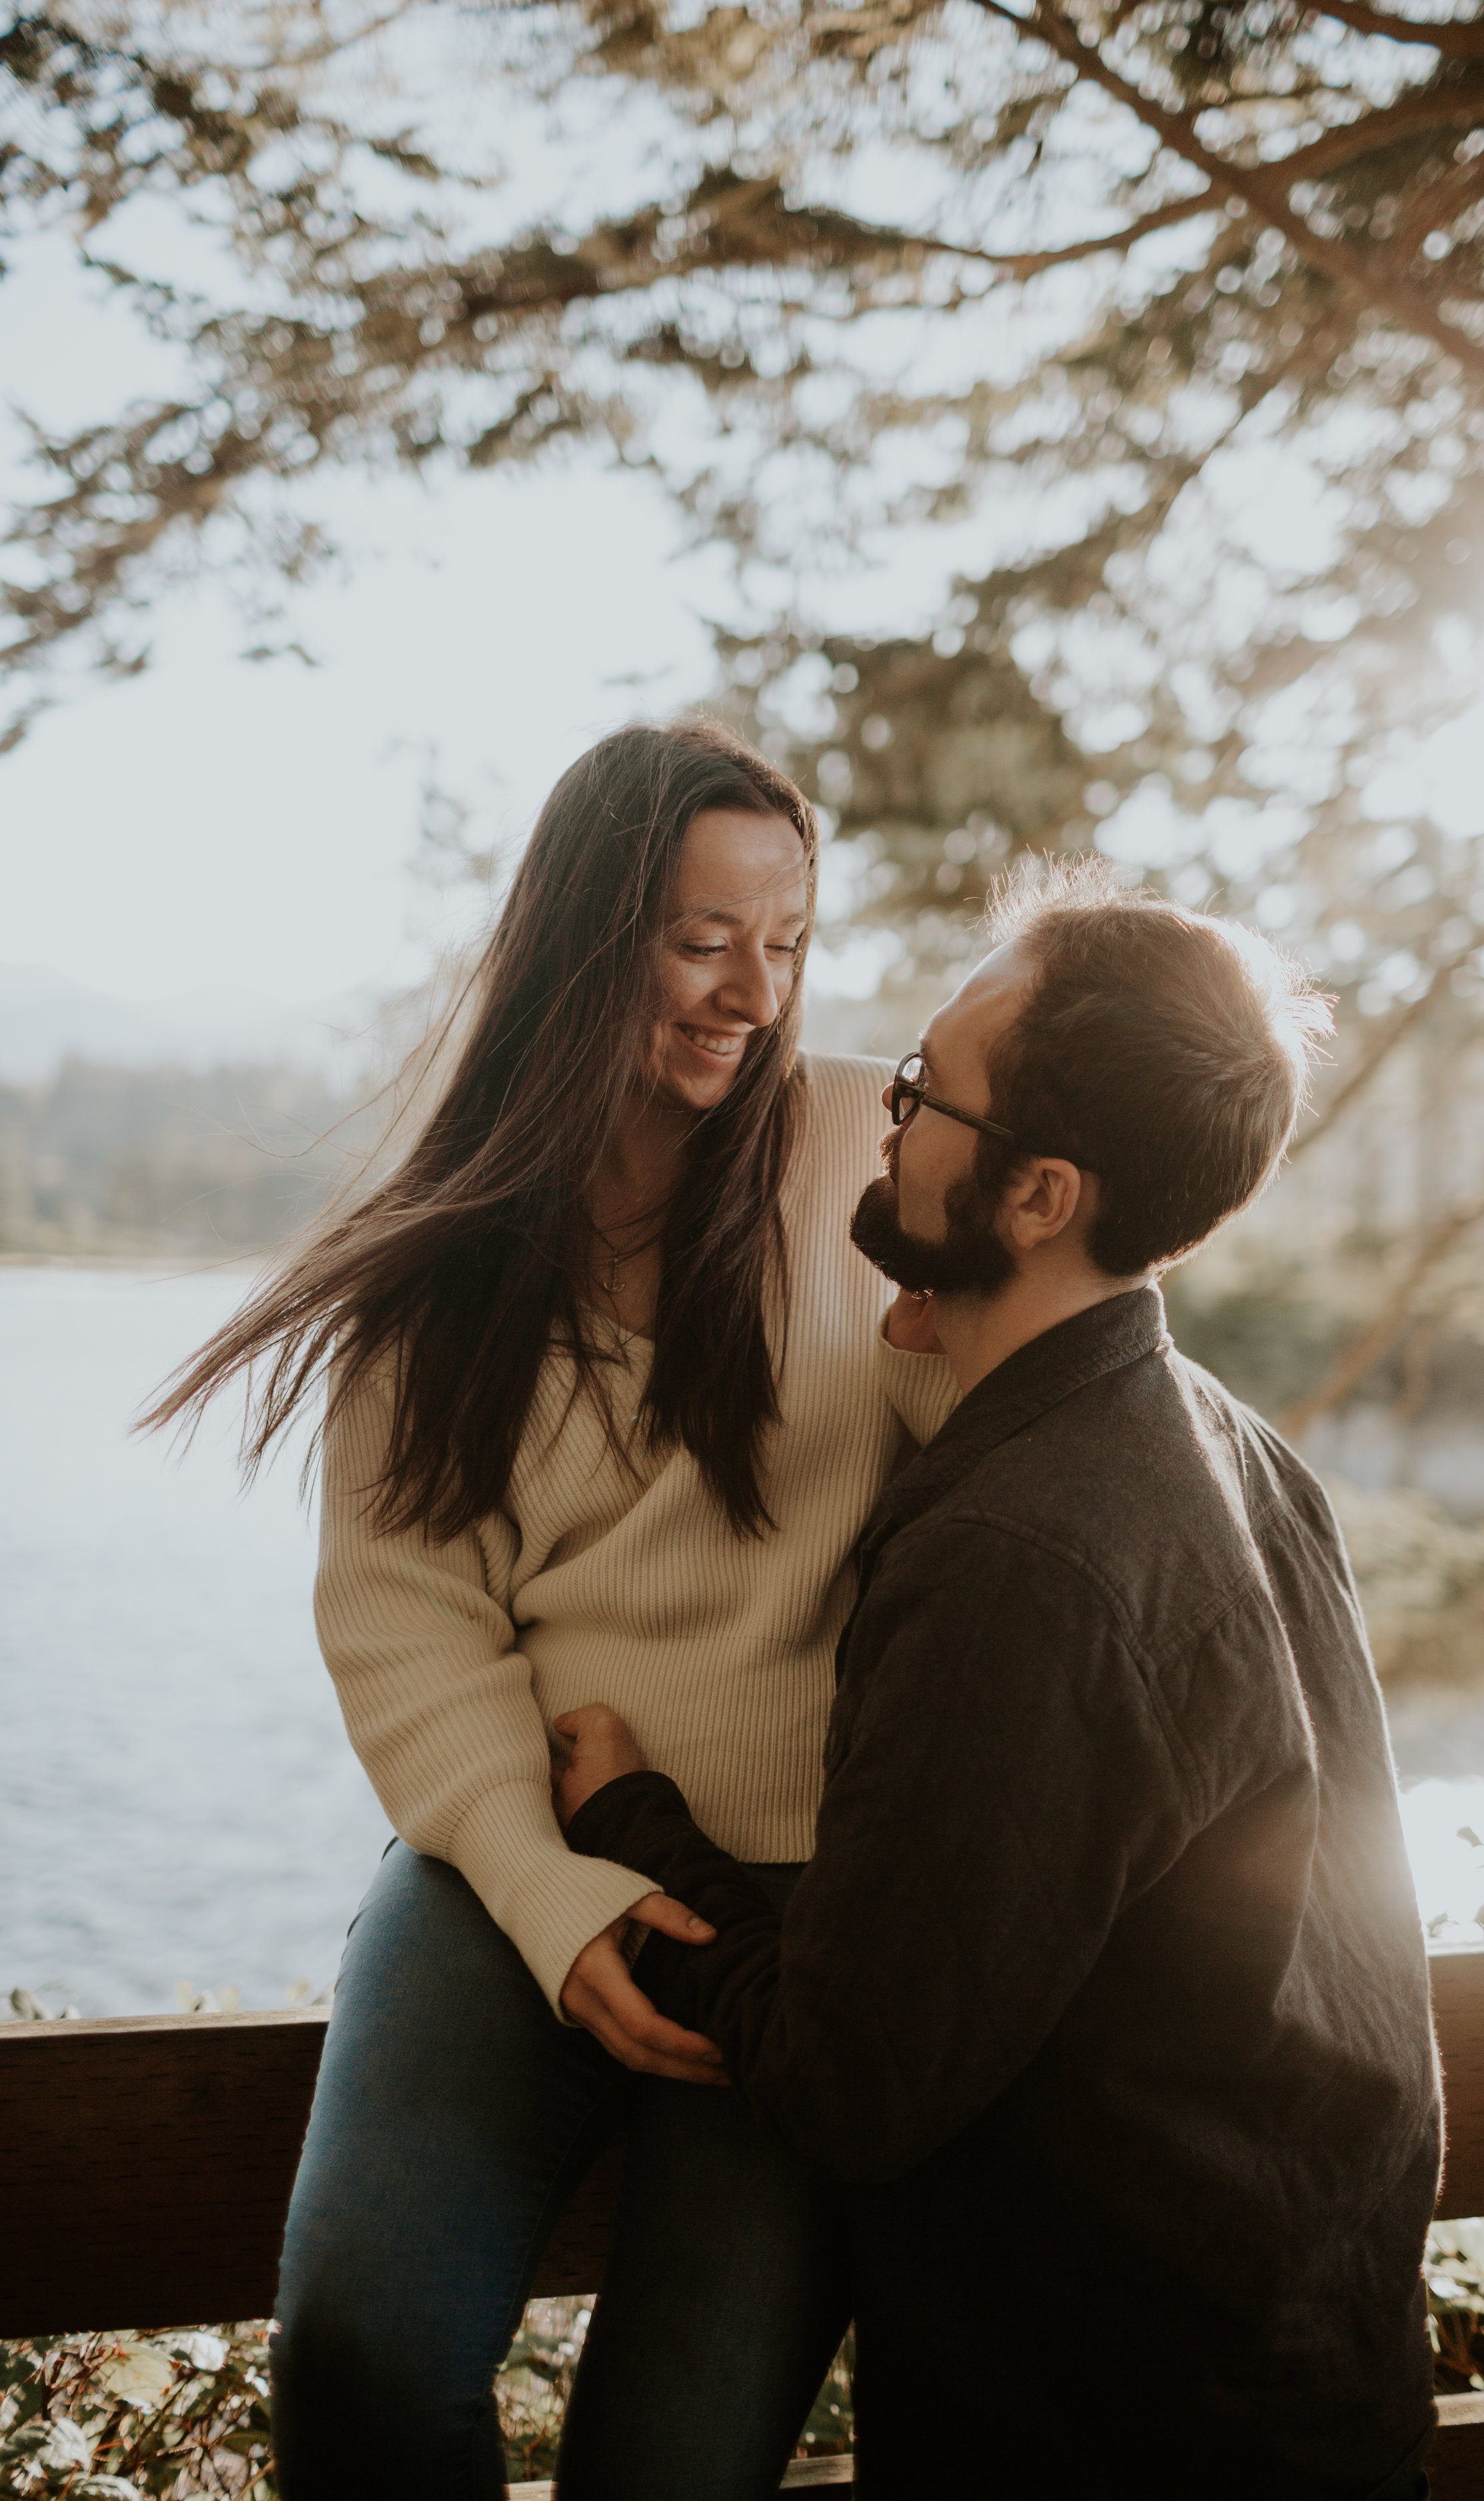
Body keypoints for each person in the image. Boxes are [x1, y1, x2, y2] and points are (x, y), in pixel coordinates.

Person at [141, 718, 956, 2501]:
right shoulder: (449, 1259)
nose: (754, 988)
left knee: (664, 2473)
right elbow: (411, 1620)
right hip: (516, 1851)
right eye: (701, 936)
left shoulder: (863, 1161)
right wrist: (547, 1886)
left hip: (800, 1911)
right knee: (355, 2357)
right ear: (591, 934)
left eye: (789, 938)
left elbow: (1012, 1458)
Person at [555, 866, 1443, 2500]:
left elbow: (844, 2084)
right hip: (1308, 2395)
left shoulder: (1019, 1558)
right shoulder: (1226, 1447)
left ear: (1036, 1196)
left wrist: (630, 1821)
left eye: (918, 1094)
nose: (879, 1122)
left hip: (1112, 2437)